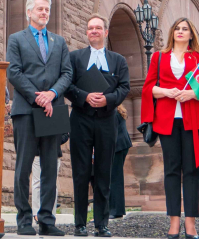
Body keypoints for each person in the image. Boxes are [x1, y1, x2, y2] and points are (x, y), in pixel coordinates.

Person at [142, 18, 199, 239]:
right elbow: (149, 89)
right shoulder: (159, 57)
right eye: (177, 28)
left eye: (185, 29)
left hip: (192, 119)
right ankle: (174, 223)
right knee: (171, 170)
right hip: (166, 120)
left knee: (192, 170)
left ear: (191, 35)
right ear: (172, 32)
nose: (180, 31)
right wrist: (167, 92)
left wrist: (192, 94)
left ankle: (191, 224)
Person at [6, 0, 73, 236]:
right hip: (25, 110)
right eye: (40, 9)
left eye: (47, 9)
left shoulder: (59, 41)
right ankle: (24, 219)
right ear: (29, 13)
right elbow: (13, 72)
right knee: (23, 167)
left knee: (49, 168)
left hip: (52, 111)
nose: (44, 13)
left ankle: (46, 219)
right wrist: (38, 96)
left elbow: (67, 73)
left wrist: (52, 94)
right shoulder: (16, 39)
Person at [65, 14, 131, 237]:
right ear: (86, 33)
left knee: (104, 171)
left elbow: (124, 87)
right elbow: (67, 85)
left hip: (107, 120)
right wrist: (84, 96)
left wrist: (108, 100)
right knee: (81, 172)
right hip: (81, 119)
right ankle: (80, 224)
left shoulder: (118, 60)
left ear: (106, 32)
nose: (94, 31)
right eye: (90, 28)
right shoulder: (75, 58)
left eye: (98, 28)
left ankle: (102, 224)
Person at [31, 134, 67, 225]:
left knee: (52, 183)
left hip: (54, 152)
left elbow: (66, 134)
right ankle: (36, 213)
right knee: (37, 182)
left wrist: (55, 142)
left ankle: (51, 213)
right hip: (37, 152)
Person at [108, 104, 132, 219]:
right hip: (122, 145)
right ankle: (115, 209)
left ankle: (116, 210)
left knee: (115, 178)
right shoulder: (119, 111)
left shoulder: (113, 113)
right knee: (115, 177)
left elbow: (112, 133)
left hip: (118, 146)